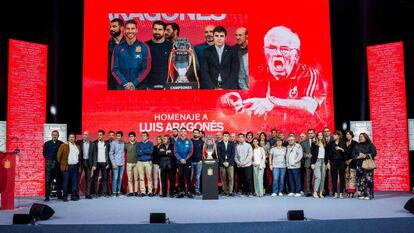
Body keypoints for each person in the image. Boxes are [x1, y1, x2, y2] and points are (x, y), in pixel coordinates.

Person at [220, 26, 328, 131]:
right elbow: (233, 100)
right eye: (272, 48)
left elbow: (309, 106)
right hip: (267, 136)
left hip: (305, 134)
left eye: (285, 49)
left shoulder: (307, 74)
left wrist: (272, 102)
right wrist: (230, 101)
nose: (277, 54)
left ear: (296, 55)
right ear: (265, 52)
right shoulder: (256, 75)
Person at [111, 19, 151, 90]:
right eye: (128, 29)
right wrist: (125, 83)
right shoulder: (117, 48)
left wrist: (134, 83)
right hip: (122, 87)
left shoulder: (144, 47)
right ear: (124, 30)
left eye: (133, 28)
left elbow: (146, 68)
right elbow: (114, 69)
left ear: (136, 30)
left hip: (139, 87)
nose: (130, 31)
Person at [145, 20, 173, 89]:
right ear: (152, 30)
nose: (157, 32)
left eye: (160, 29)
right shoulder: (145, 46)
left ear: (164, 31)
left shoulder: (171, 46)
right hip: (149, 84)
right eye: (155, 29)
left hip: (166, 84)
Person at [57, 133, 81, 202]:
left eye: (73, 137)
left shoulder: (77, 146)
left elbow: (79, 157)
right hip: (67, 167)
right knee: (65, 182)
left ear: (75, 138)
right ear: (68, 138)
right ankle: (65, 196)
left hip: (75, 166)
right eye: (70, 137)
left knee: (74, 182)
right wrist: (63, 164)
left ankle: (73, 196)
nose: (71, 138)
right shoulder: (64, 145)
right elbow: (58, 156)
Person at [353, 133, 377, 200]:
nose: (360, 138)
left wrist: (365, 156)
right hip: (359, 165)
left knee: (369, 179)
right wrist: (358, 156)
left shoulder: (370, 145)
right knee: (360, 180)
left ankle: (369, 194)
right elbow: (353, 154)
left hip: (367, 164)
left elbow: (374, 153)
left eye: (362, 136)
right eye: (359, 136)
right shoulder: (356, 145)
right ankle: (361, 194)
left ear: (366, 137)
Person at [42, 130, 63, 201]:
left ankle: (59, 195)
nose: (55, 136)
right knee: (48, 180)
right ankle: (47, 196)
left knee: (59, 180)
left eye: (56, 135)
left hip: (57, 164)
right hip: (49, 164)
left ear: (58, 135)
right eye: (53, 134)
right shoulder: (47, 143)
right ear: (51, 135)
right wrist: (49, 160)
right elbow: (44, 153)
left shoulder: (61, 143)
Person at [174, 128, 194, 198]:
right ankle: (181, 192)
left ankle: (189, 192)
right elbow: (175, 152)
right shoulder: (177, 141)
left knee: (188, 177)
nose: (182, 133)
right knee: (180, 177)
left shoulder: (189, 141)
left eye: (184, 132)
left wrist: (185, 159)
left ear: (186, 133)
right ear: (180, 133)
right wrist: (180, 159)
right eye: (181, 132)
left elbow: (191, 151)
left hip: (187, 162)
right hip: (179, 162)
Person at [77, 131, 96, 199]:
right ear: (83, 135)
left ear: (89, 136)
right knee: (78, 178)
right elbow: (71, 144)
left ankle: (87, 194)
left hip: (89, 163)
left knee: (88, 179)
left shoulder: (92, 144)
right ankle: (77, 194)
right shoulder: (78, 142)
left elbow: (94, 155)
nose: (86, 136)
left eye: (87, 135)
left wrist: (94, 164)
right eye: (84, 135)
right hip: (81, 163)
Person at [327, 130, 346, 199]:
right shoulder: (331, 143)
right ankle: (335, 193)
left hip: (341, 162)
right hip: (333, 162)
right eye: (333, 135)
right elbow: (329, 154)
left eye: (335, 135)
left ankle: (341, 193)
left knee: (341, 177)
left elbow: (346, 153)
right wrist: (328, 163)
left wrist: (341, 149)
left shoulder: (343, 143)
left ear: (338, 136)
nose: (333, 136)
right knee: (334, 177)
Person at [108, 18, 125, 90]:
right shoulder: (107, 44)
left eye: (114, 26)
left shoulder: (130, 43)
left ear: (121, 28)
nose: (111, 29)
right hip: (110, 81)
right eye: (110, 27)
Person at [92, 130, 110, 197]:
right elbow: (93, 154)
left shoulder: (106, 144)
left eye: (100, 135)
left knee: (104, 178)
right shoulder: (94, 143)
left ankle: (104, 192)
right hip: (96, 163)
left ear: (103, 136)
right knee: (95, 178)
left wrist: (108, 163)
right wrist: (94, 164)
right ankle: (95, 192)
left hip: (104, 163)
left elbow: (108, 154)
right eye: (98, 135)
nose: (99, 136)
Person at [217, 131, 236, 196]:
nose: (226, 137)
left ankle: (230, 191)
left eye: (227, 136)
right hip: (222, 163)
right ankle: (225, 191)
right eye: (224, 136)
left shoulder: (232, 144)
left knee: (231, 178)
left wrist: (228, 162)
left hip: (230, 163)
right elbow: (219, 154)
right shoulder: (219, 144)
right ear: (223, 136)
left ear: (228, 137)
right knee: (223, 178)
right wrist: (223, 162)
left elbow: (233, 154)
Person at [136, 131, 154, 197]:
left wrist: (142, 150)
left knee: (149, 177)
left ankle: (150, 192)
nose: (143, 137)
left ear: (147, 137)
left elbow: (151, 152)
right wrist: (146, 150)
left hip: (148, 162)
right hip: (140, 162)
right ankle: (143, 191)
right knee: (141, 178)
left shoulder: (151, 143)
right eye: (142, 135)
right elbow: (138, 153)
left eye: (144, 135)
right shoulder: (139, 144)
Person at [310, 131, 327, 198]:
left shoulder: (324, 144)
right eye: (319, 135)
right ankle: (315, 192)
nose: (320, 136)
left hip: (323, 161)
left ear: (322, 136)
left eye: (321, 135)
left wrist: (326, 163)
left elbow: (327, 154)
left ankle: (320, 192)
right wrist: (312, 163)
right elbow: (312, 154)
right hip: (317, 161)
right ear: (317, 136)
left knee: (323, 178)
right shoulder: (314, 143)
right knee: (318, 177)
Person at [109, 131, 125, 197]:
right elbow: (111, 153)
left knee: (120, 178)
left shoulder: (123, 143)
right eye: (117, 136)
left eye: (119, 136)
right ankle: (114, 192)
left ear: (121, 136)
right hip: (115, 163)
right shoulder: (113, 143)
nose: (118, 137)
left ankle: (119, 192)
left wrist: (123, 161)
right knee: (115, 178)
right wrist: (113, 163)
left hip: (122, 163)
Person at [300, 128, 315, 196]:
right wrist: (306, 155)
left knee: (317, 178)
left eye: (311, 133)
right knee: (308, 178)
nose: (310, 134)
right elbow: (301, 152)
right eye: (309, 133)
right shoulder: (303, 142)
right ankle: (309, 191)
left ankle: (317, 191)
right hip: (308, 162)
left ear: (314, 133)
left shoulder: (318, 141)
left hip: (317, 162)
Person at [344, 130, 358, 198]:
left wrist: (351, 159)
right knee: (346, 177)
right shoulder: (344, 143)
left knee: (352, 177)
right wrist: (345, 160)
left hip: (353, 162)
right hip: (345, 163)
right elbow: (343, 153)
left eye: (349, 134)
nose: (348, 135)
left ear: (352, 135)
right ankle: (347, 191)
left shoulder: (355, 143)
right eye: (346, 134)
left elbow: (357, 153)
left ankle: (352, 192)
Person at [191, 129, 204, 195]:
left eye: (197, 133)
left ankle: (197, 190)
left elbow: (203, 152)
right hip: (190, 162)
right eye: (194, 133)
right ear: (193, 133)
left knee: (197, 177)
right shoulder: (190, 141)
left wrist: (201, 160)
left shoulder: (202, 142)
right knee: (190, 177)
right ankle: (189, 190)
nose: (196, 134)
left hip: (199, 162)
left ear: (199, 134)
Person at [125, 131, 138, 196]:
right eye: (130, 136)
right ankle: (131, 192)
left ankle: (135, 191)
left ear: (134, 137)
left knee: (136, 178)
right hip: (129, 163)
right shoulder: (126, 144)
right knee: (129, 178)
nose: (131, 137)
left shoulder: (138, 144)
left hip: (136, 163)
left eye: (132, 136)